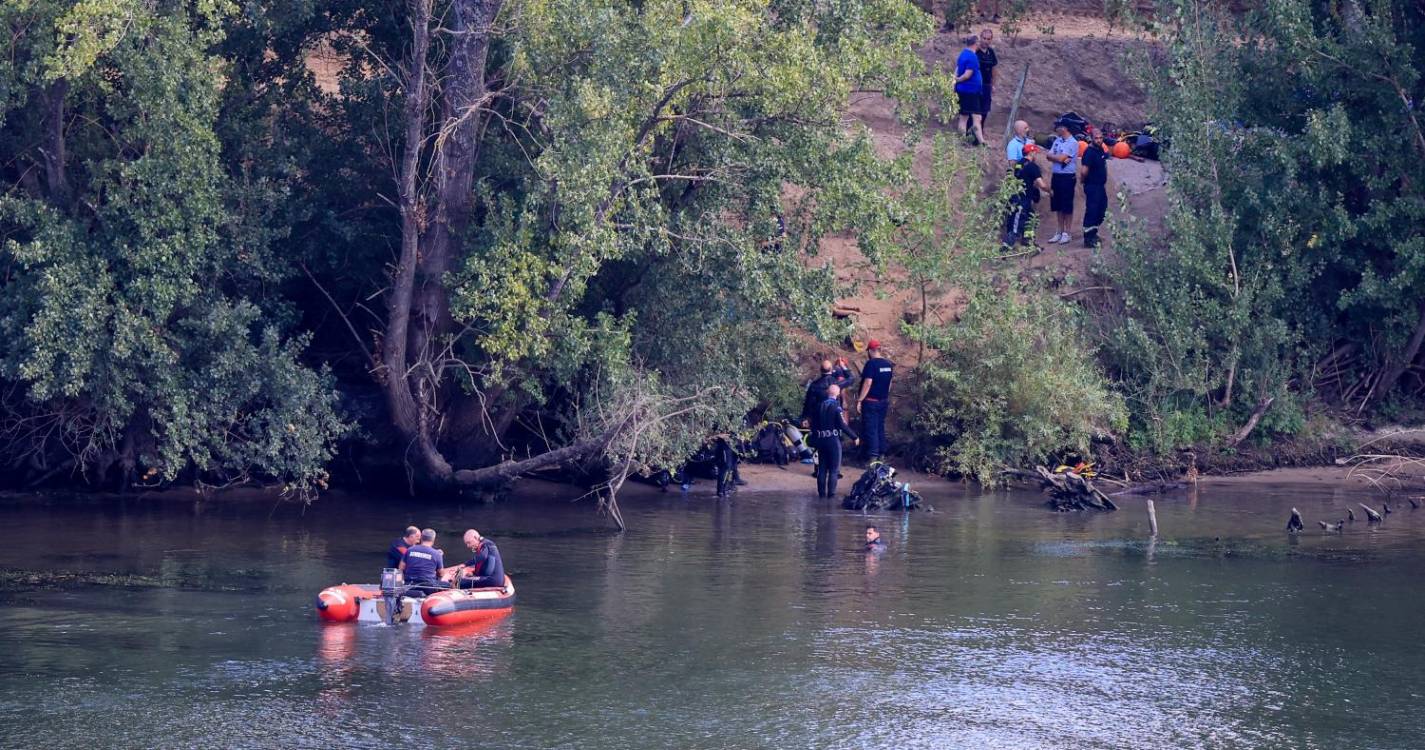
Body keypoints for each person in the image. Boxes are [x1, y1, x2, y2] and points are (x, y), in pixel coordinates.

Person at [813, 384, 859, 498]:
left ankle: (821, 495)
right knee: (834, 470)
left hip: (821, 440)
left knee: (822, 468)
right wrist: (854, 437)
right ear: (837, 394)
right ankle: (831, 496)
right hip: (832, 441)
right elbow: (842, 425)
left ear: (828, 392)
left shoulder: (819, 406)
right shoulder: (836, 407)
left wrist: (816, 438)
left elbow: (813, 425)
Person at [1003, 143, 1049, 249]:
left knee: (1031, 218)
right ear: (1031, 152)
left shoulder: (1019, 164)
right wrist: (1050, 191)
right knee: (1016, 222)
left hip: (1019, 197)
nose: (1036, 155)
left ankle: (1028, 241)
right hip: (1021, 199)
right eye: (1035, 153)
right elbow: (1041, 184)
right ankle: (1006, 247)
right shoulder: (1032, 166)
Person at [856, 340, 895, 461]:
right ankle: (882, 456)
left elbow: (868, 383)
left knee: (871, 429)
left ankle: (873, 459)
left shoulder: (871, 364)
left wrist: (860, 400)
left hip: (871, 402)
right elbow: (889, 383)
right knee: (880, 427)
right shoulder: (888, 365)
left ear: (871, 351)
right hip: (883, 401)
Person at [1046, 119, 1080, 244]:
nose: (1056, 128)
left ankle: (1067, 232)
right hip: (1056, 176)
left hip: (1067, 177)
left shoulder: (1073, 143)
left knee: (1067, 205)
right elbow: (1048, 156)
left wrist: (1057, 158)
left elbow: (1060, 158)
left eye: (1059, 126)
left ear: (1064, 128)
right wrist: (1058, 158)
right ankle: (1059, 231)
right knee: (1057, 204)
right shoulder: (1057, 140)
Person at [953, 35, 986, 147]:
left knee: (964, 117)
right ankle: (981, 142)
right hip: (970, 91)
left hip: (964, 90)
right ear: (975, 43)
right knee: (976, 117)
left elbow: (957, 69)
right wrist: (958, 80)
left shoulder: (963, 54)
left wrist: (955, 80)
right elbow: (967, 75)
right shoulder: (972, 57)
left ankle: (963, 141)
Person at [1079, 127, 1109, 248]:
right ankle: (1088, 238)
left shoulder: (1101, 149)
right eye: (1096, 138)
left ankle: (1094, 233)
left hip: (1101, 186)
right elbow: (1084, 171)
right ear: (1091, 138)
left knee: (1102, 209)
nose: (1099, 140)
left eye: (1101, 138)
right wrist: (1083, 181)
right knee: (1092, 210)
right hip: (1092, 186)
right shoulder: (1089, 152)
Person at [799, 360, 838, 428]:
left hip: (818, 417)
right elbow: (850, 379)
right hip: (833, 416)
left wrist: (805, 417)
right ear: (831, 369)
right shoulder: (836, 383)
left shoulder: (814, 385)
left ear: (820, 370)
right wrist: (844, 368)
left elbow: (809, 403)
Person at [976, 29, 998, 128]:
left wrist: (993, 85)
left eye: (988, 39)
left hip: (986, 84)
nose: (986, 41)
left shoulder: (991, 52)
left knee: (985, 109)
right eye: (984, 38)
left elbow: (994, 69)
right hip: (975, 84)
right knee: (975, 108)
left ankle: (981, 128)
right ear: (980, 38)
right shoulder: (975, 51)